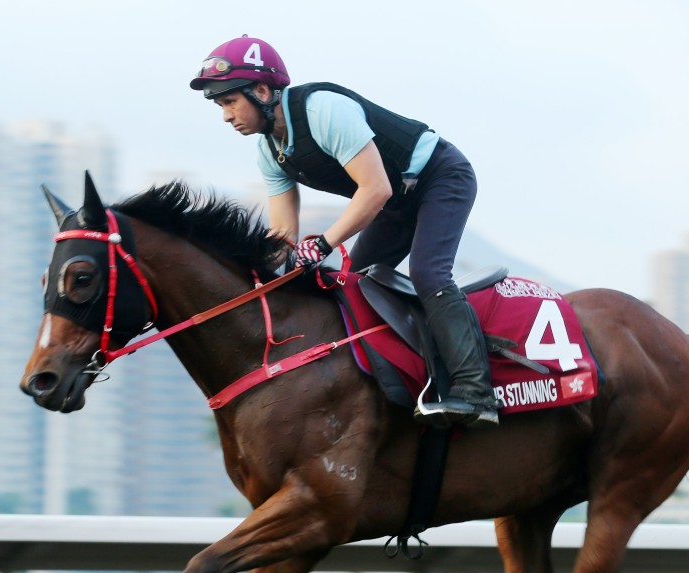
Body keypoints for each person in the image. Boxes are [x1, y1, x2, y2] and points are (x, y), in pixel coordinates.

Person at [189, 35, 498, 429]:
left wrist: (322, 243)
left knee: (428, 272)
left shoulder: (323, 111)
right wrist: (250, 275)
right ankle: (410, 382)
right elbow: (283, 231)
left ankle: (476, 391)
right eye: (220, 106)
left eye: (230, 102)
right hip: (395, 203)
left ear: (262, 90)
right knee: (355, 285)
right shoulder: (269, 150)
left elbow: (376, 189)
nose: (226, 116)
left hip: (440, 177)